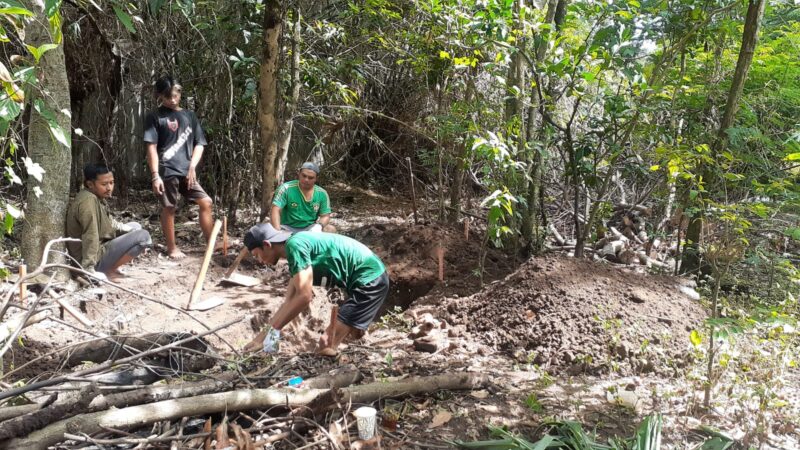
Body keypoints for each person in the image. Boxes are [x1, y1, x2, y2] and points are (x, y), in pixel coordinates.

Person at [242, 223, 389, 356]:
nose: (259, 261)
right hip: (368, 277)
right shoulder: (295, 247)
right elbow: (288, 302)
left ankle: (331, 380)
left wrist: (272, 331)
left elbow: (304, 297)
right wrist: (261, 338)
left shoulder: (295, 246)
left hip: (369, 280)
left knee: (326, 344)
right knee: (351, 333)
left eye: (257, 255)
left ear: (267, 244)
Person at [143, 75, 215, 259]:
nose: (173, 100)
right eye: (168, 97)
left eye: (176, 95)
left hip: (187, 171)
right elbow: (150, 147)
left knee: (206, 202)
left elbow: (200, 143)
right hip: (167, 170)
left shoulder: (189, 116)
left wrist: (192, 167)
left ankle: (211, 243)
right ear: (160, 96)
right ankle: (172, 248)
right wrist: (155, 175)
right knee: (170, 207)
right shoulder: (154, 117)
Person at [66, 164, 152, 281]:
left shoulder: (95, 196)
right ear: (90, 184)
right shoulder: (88, 202)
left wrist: (131, 230)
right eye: (104, 184)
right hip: (89, 258)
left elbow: (110, 223)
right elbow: (90, 235)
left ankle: (110, 268)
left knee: (135, 226)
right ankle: (109, 270)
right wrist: (88, 269)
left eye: (111, 183)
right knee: (143, 237)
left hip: (98, 247)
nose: (109, 188)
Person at [271, 162, 335, 233]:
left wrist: (319, 226)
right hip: (287, 227)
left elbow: (325, 216)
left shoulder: (322, 193)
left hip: (310, 228)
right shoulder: (286, 188)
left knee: (330, 229)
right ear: (299, 174)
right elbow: (275, 209)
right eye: (304, 176)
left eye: (310, 178)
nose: (306, 180)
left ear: (316, 178)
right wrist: (277, 231)